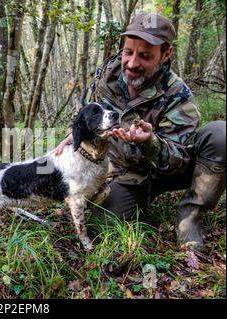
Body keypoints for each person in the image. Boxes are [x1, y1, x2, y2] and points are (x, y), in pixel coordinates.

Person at [55, 13, 226, 252]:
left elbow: (179, 161)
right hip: (125, 173)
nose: (132, 63)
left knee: (221, 135)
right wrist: (74, 137)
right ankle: (135, 200)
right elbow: (86, 117)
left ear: (165, 55)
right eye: (128, 52)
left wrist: (150, 142)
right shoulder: (105, 79)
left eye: (145, 56)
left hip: (166, 170)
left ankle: (191, 217)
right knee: (102, 228)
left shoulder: (178, 95)